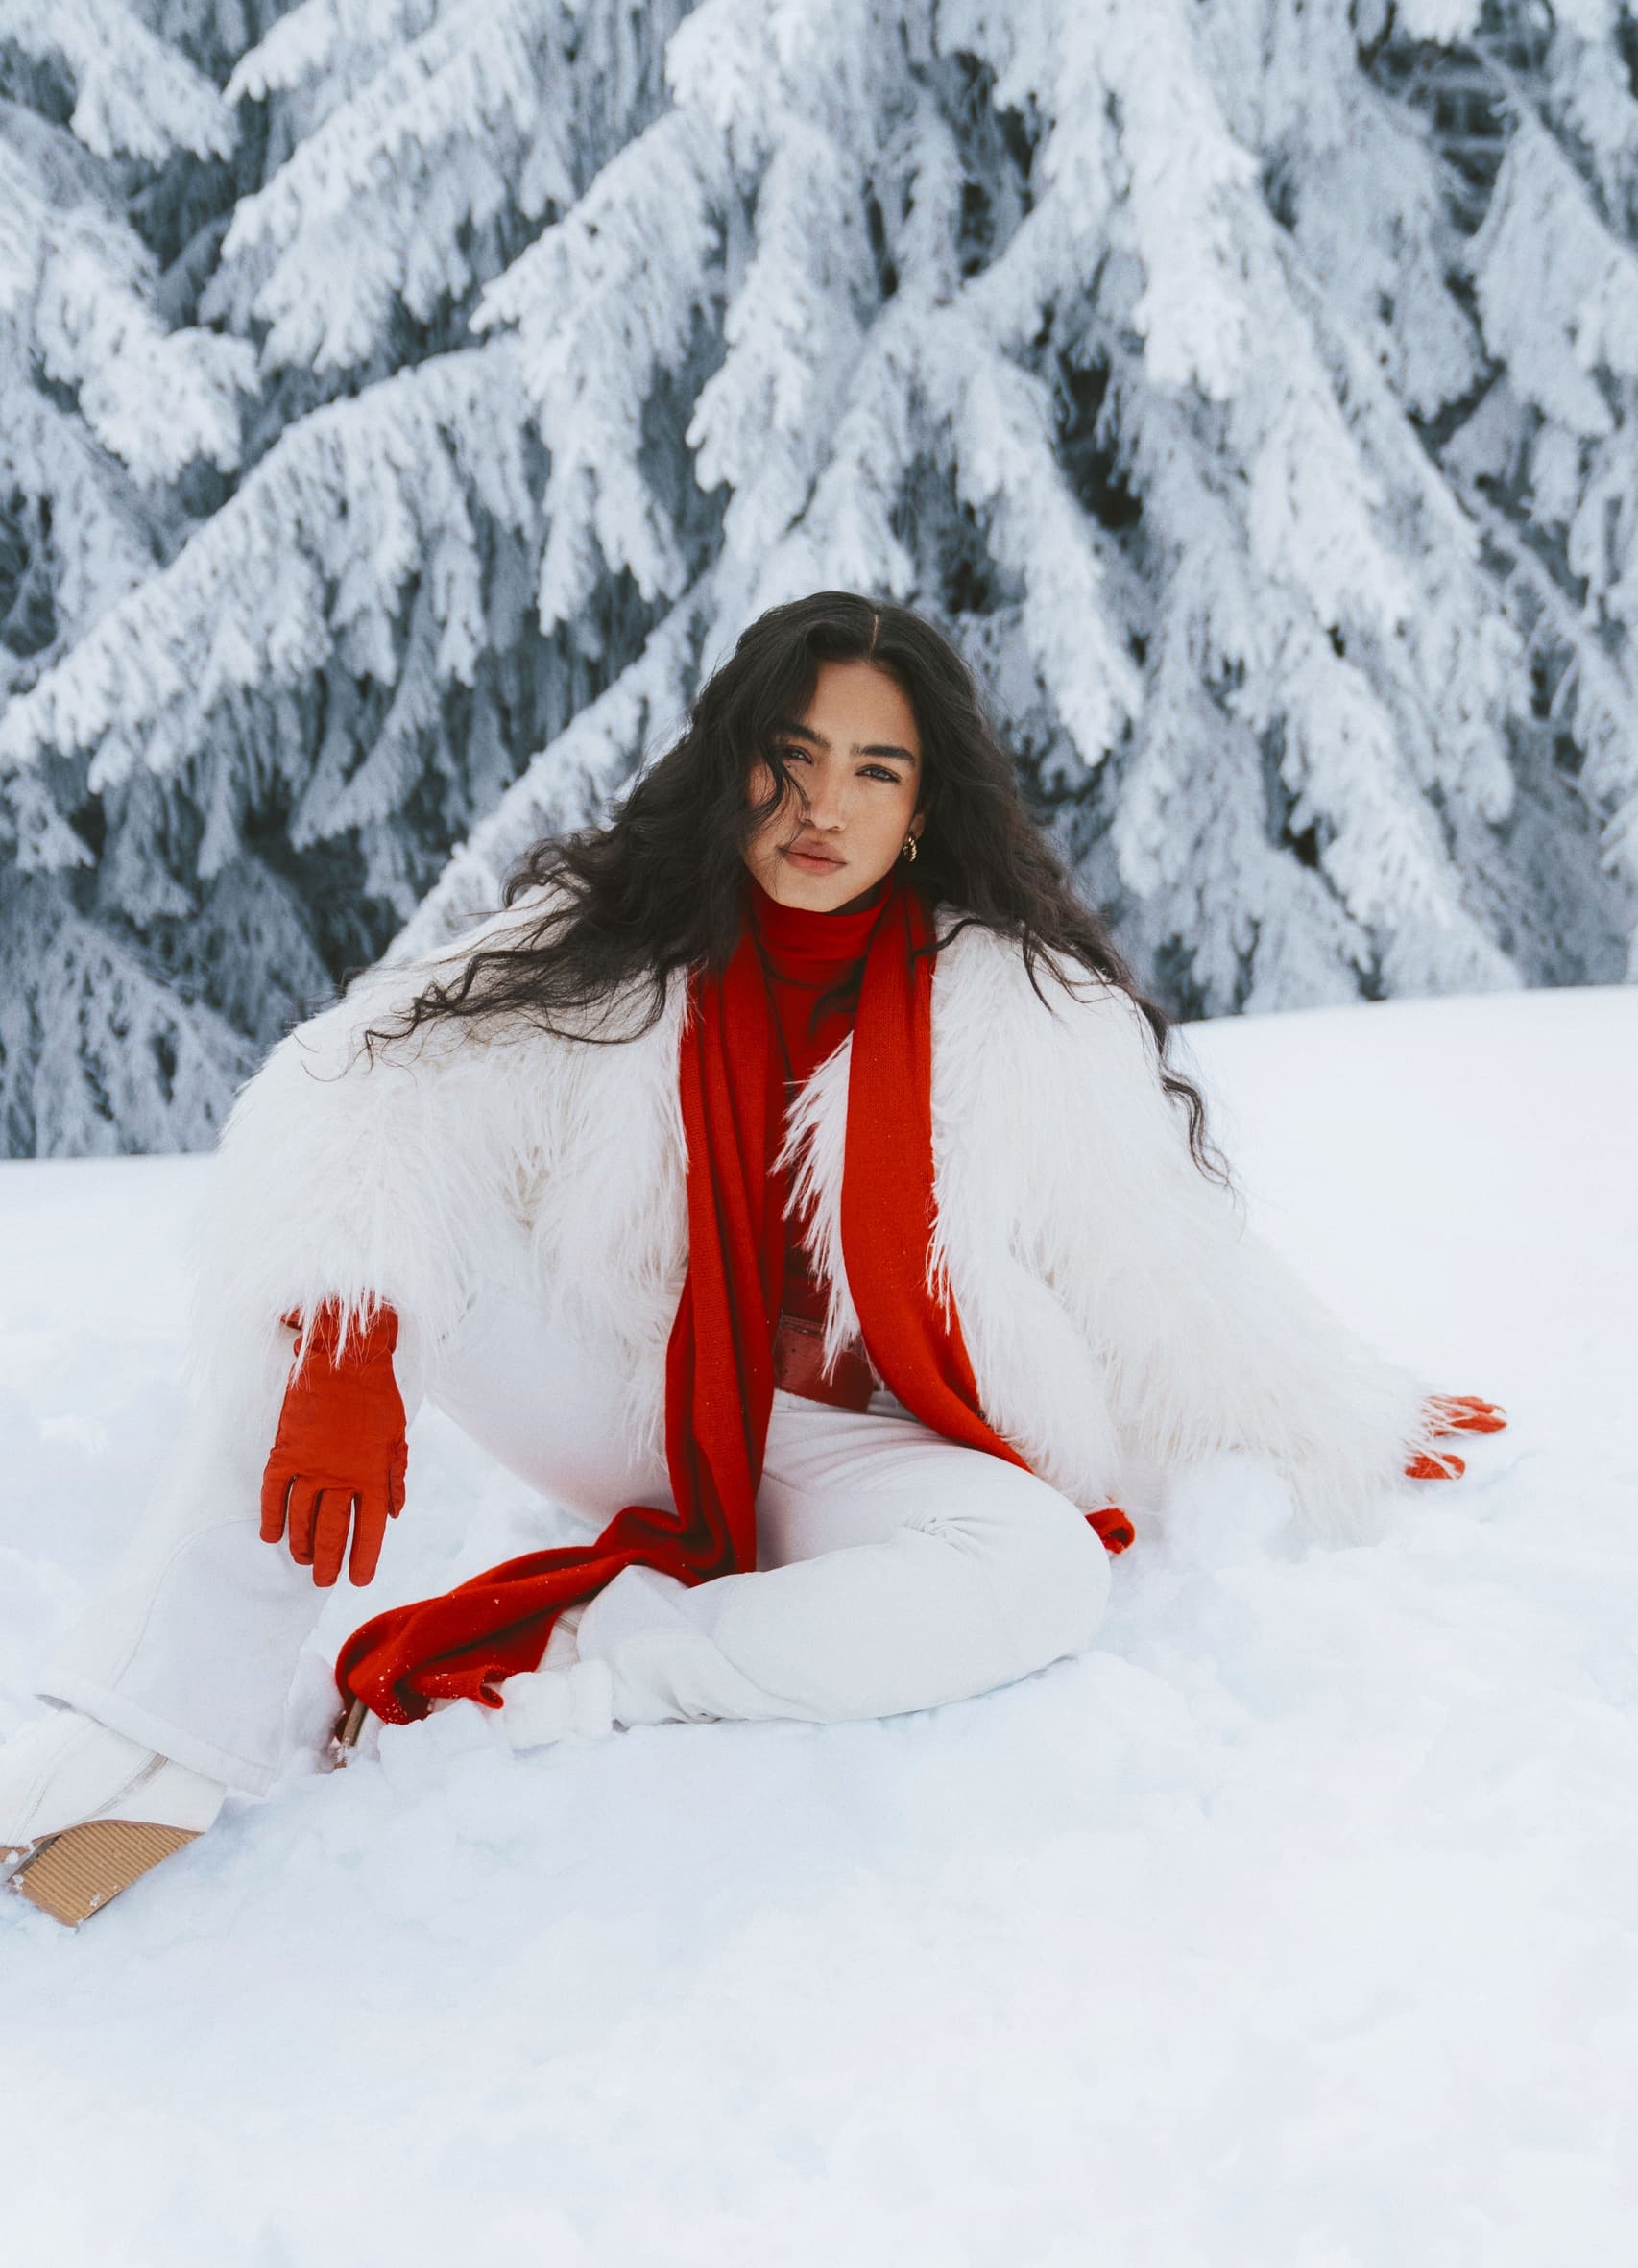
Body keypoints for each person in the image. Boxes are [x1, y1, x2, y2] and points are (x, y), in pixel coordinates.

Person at [0, 591, 1502, 1926]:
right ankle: (145, 1732)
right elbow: (352, 1091)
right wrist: (346, 1338)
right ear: (734, 769)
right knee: (341, 1266)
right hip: (633, 1386)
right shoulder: (608, 943)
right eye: (791, 756)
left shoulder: (1024, 1015)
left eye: (874, 768)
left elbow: (1159, 1264)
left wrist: (1339, 1417)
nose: (822, 805)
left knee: (1038, 1570)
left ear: (921, 810)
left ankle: (617, 1662)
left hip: (869, 1443)